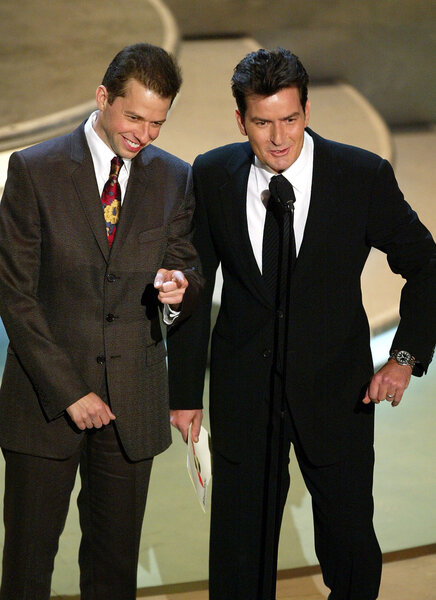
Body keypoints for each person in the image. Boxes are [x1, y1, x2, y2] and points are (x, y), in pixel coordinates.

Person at [167, 48, 436, 599]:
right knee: (240, 556)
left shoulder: (360, 175)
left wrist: (405, 357)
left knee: (350, 546)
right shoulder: (213, 174)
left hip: (339, 393)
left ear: (307, 110)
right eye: (262, 123)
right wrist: (185, 392)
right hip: (245, 394)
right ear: (240, 119)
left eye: (290, 119)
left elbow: (428, 266)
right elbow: (193, 288)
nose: (279, 137)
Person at [0, 42, 203, 599]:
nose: (144, 134)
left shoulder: (175, 178)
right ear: (102, 98)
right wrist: (70, 393)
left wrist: (178, 289)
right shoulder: (34, 169)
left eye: (157, 122)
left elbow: (185, 265)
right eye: (133, 116)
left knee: (114, 574)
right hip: (44, 405)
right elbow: (15, 295)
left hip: (131, 406)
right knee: (26, 568)